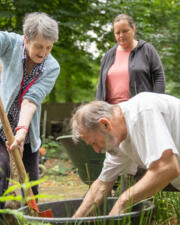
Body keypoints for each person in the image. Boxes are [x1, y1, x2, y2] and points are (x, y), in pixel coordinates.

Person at [70, 92, 180, 217]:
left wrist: (122, 203)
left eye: (94, 142)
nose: (96, 150)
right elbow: (102, 186)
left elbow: (167, 168)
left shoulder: (142, 111)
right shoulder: (116, 139)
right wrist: (75, 220)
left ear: (105, 124)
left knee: (138, 177)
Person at [0, 12, 60, 209]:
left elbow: (31, 100)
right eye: (38, 46)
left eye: (49, 47)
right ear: (26, 39)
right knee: (1, 173)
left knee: (31, 185)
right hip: (1, 127)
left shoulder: (51, 67)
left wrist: (21, 131)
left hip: (26, 133)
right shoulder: (11, 44)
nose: (43, 53)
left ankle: (30, 218)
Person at [96, 14, 166, 104]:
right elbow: (101, 86)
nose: (121, 35)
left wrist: (156, 102)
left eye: (125, 31)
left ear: (134, 29)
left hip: (140, 107)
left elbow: (159, 77)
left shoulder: (147, 50)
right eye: (117, 33)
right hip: (112, 110)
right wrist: (98, 108)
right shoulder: (108, 55)